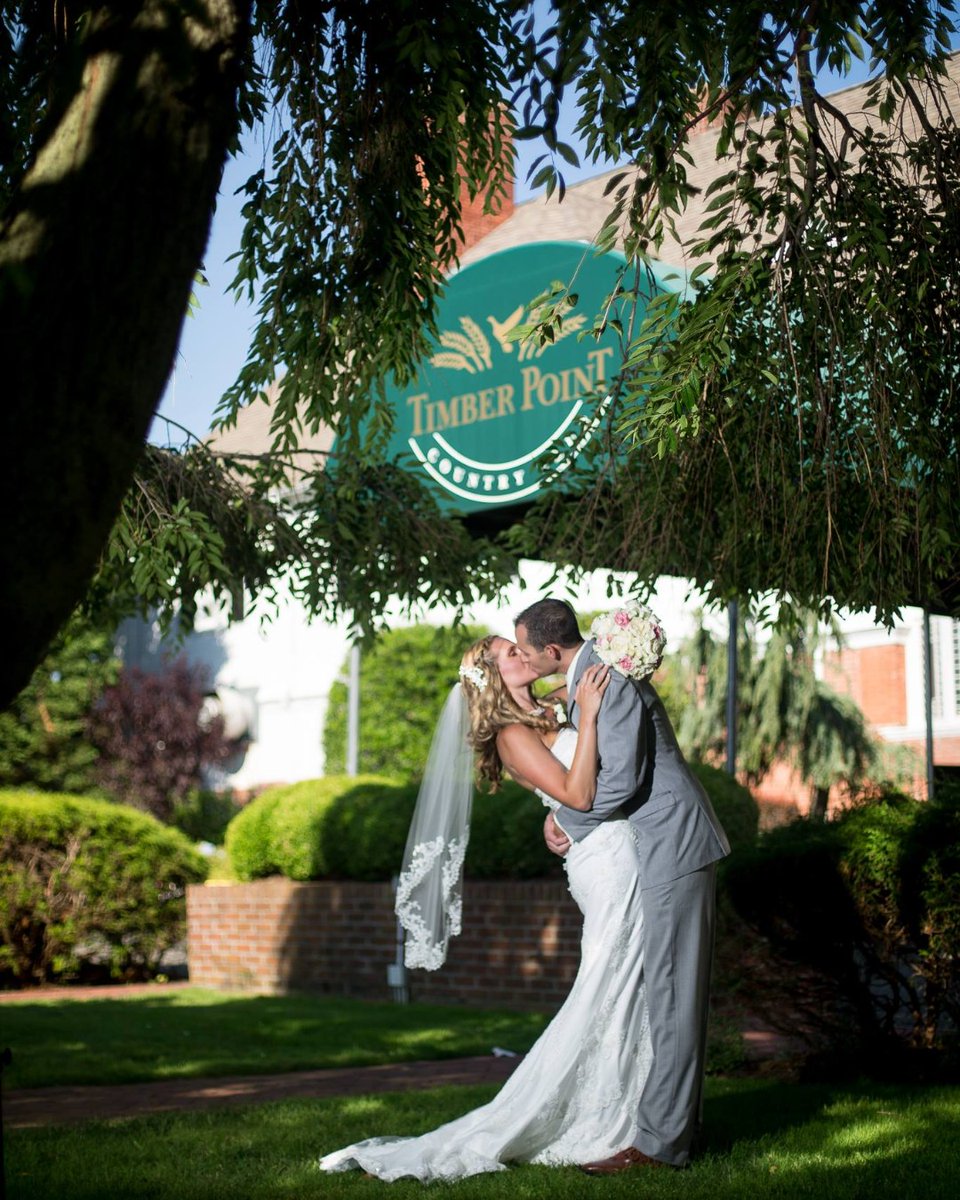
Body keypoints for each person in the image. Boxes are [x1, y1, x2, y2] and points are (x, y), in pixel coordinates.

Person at [320, 633, 653, 1182]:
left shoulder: (553, 706)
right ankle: (588, 1119)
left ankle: (634, 1114)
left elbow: (569, 795)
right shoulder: (511, 734)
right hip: (603, 863)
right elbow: (576, 793)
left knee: (624, 984)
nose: (523, 654)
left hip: (615, 847)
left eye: (518, 648)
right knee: (605, 981)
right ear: (495, 675)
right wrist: (588, 722)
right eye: (509, 653)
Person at [513, 598, 731, 1174]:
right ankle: (673, 1129)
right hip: (656, 845)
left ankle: (662, 1146)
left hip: (673, 842)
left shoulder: (604, 678)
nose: (526, 659)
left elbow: (622, 779)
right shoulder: (588, 675)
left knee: (672, 993)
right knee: (665, 989)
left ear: (550, 649)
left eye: (526, 650)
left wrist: (565, 820)